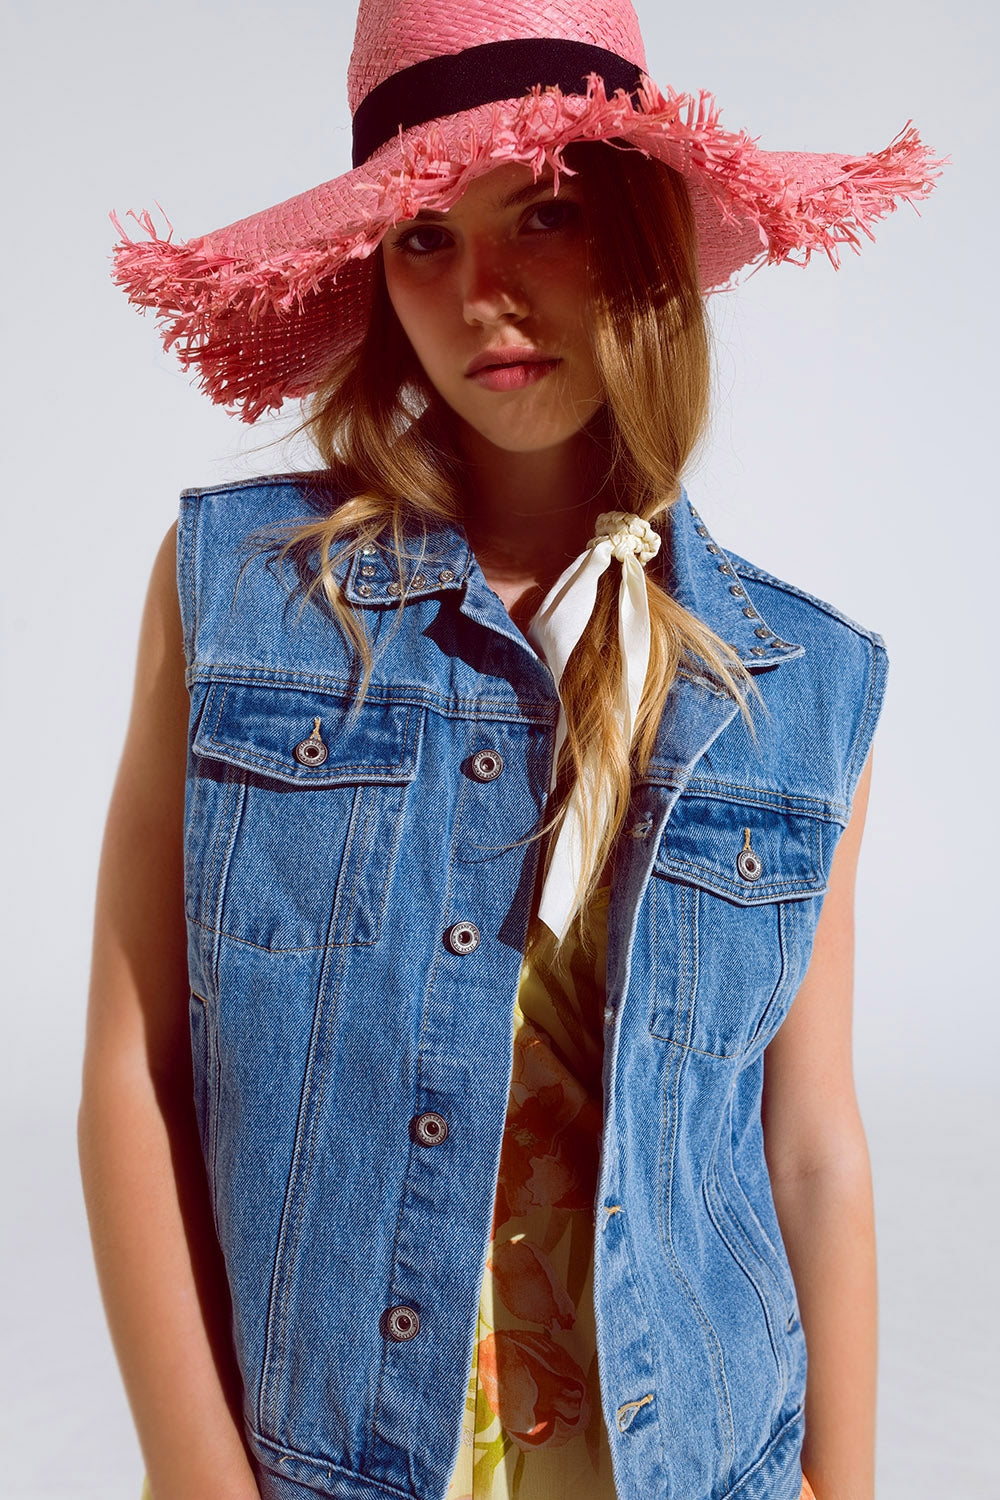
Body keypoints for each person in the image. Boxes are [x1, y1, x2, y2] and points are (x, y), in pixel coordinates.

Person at [79, 3, 942, 1498]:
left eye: (541, 216)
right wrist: (194, 1477)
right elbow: (130, 1072)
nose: (483, 293)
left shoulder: (804, 684)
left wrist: (843, 1485)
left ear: (638, 242)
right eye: (422, 236)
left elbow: (809, 1143)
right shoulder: (242, 596)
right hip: (349, 1462)